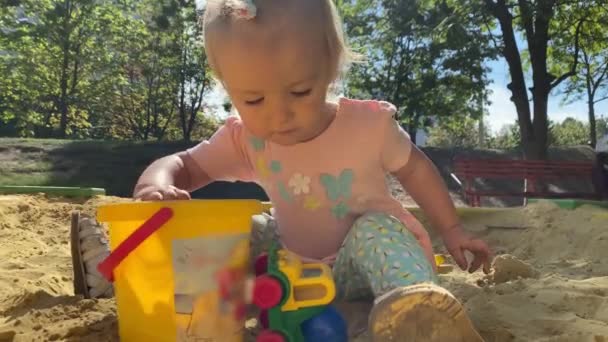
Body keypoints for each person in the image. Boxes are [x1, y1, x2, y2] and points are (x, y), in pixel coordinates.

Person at [76, 0, 493, 340]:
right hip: (285, 266)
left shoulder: (368, 126)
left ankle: (414, 309)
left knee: (378, 229)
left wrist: (452, 230)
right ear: (228, 88)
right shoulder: (247, 138)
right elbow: (185, 165)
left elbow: (416, 169)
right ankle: (120, 273)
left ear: (331, 65)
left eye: (300, 91)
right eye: (253, 100)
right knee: (232, 234)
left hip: (357, 265)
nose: (279, 115)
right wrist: (156, 182)